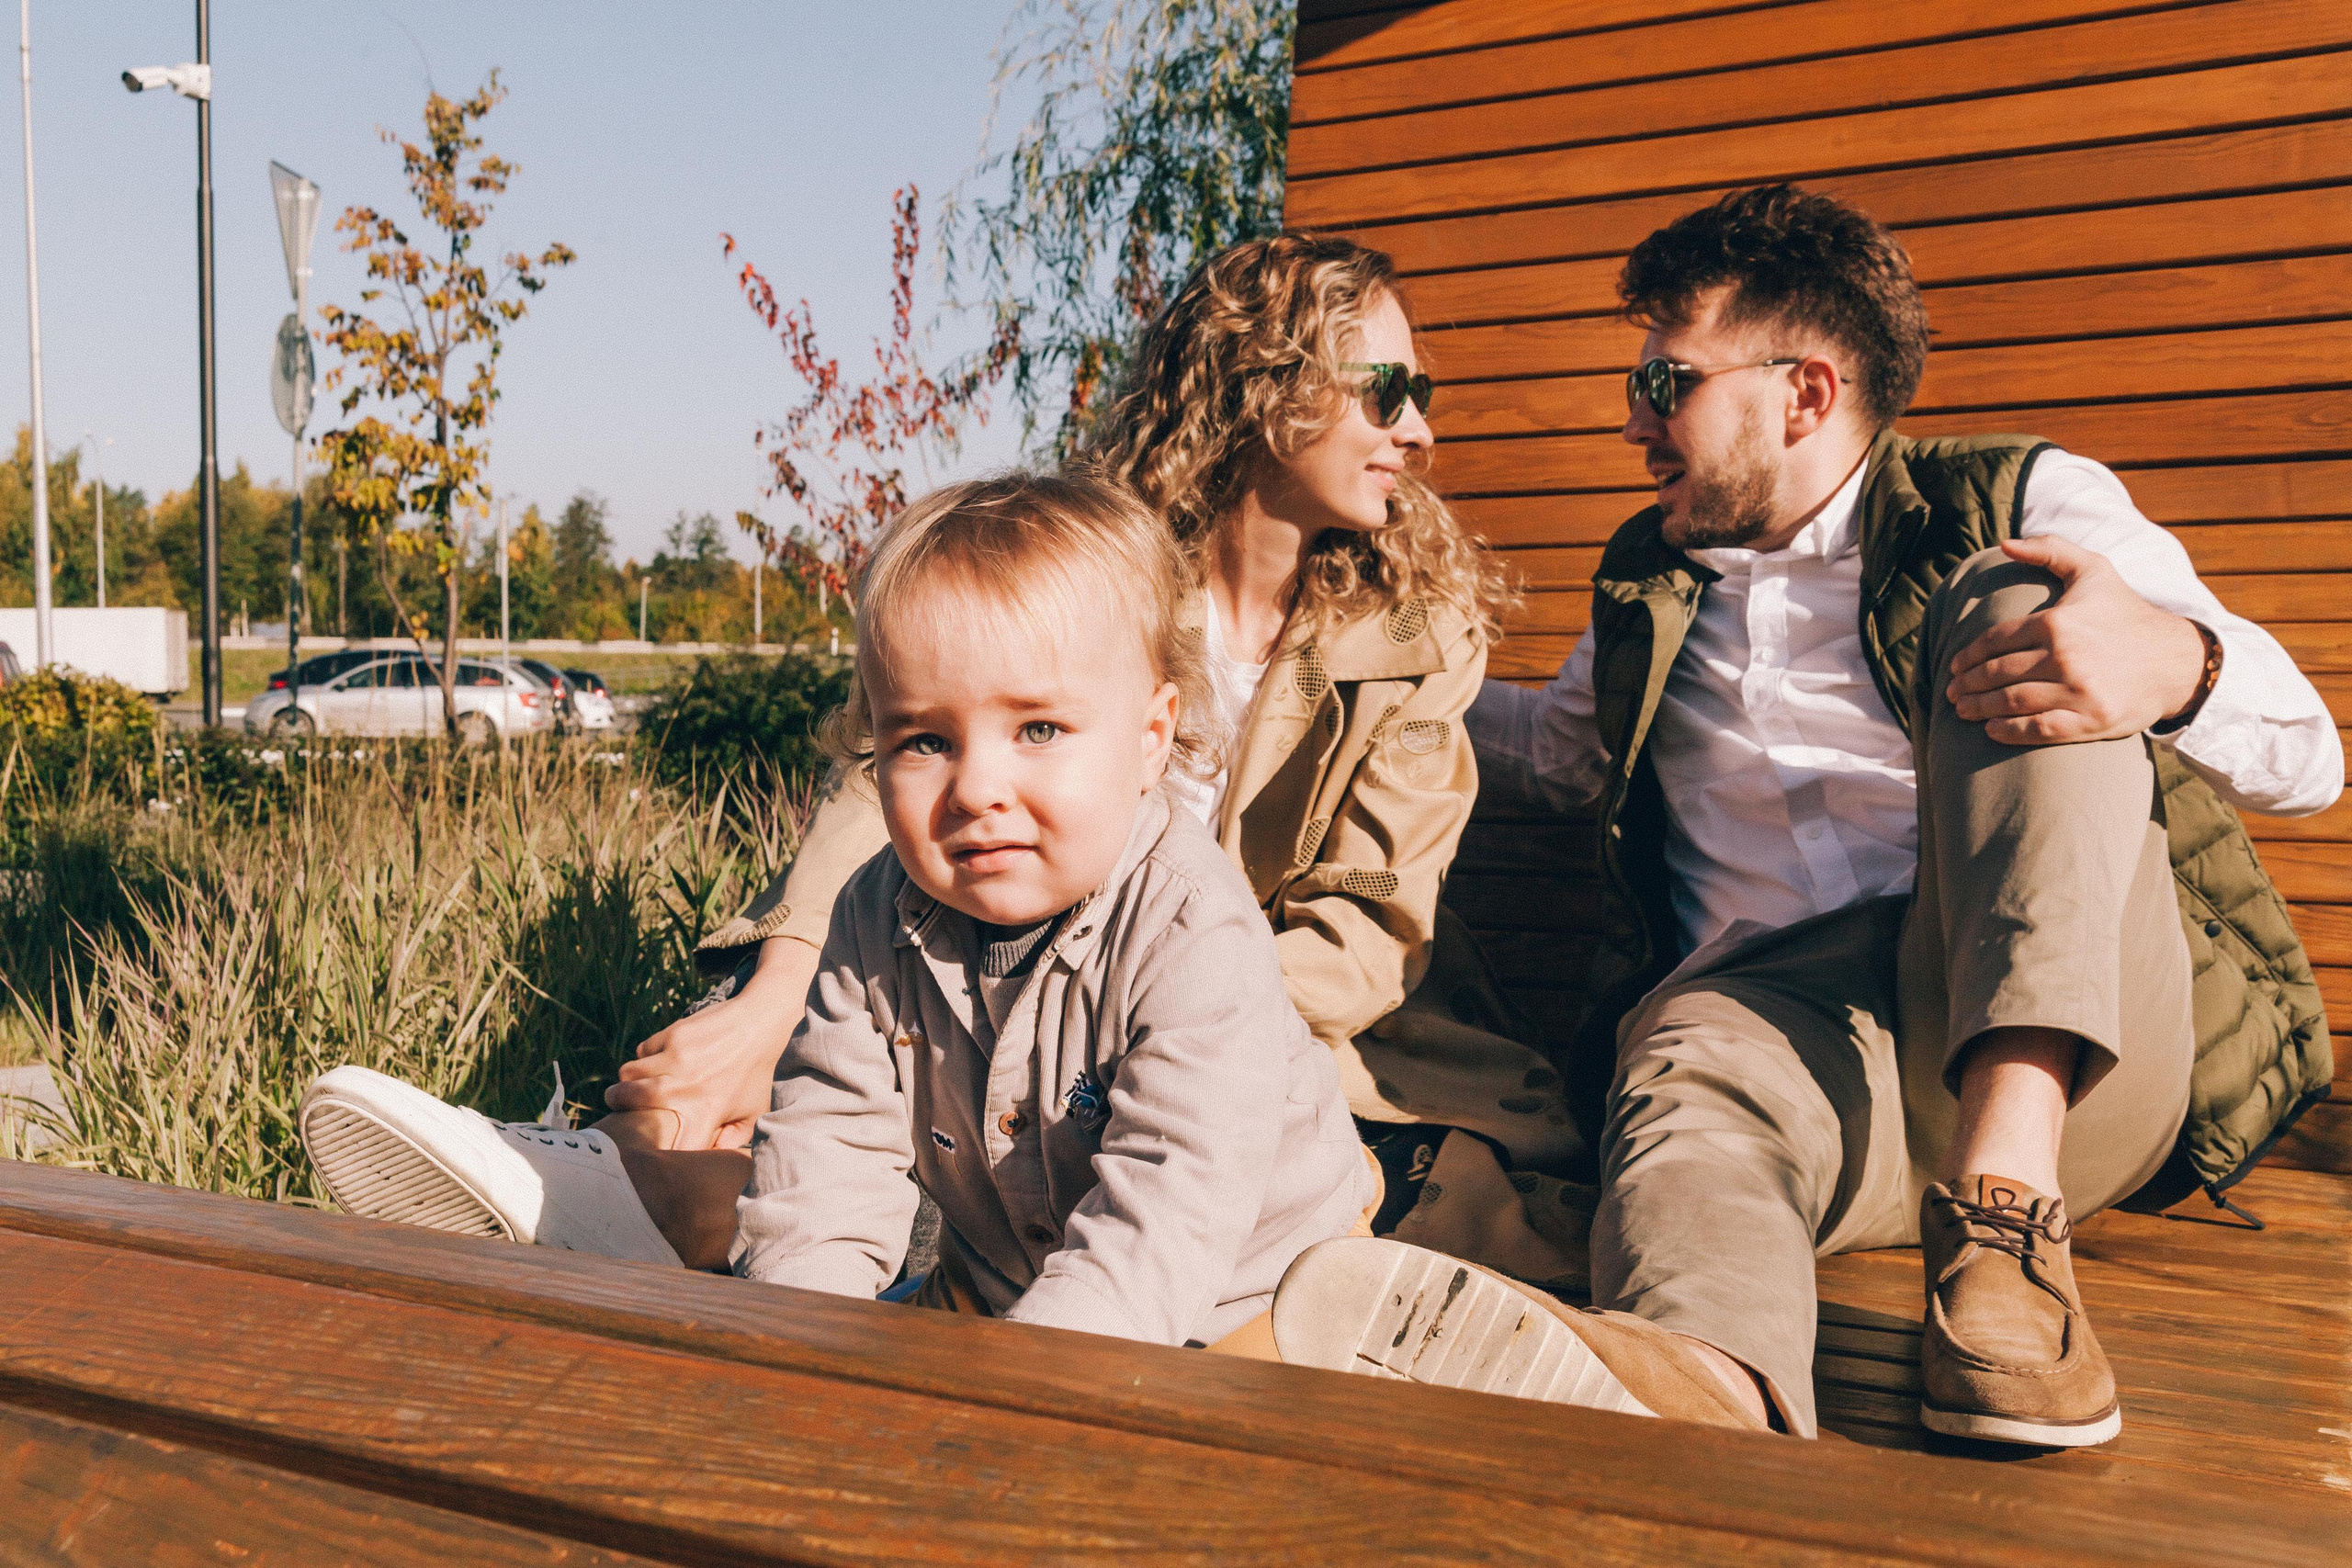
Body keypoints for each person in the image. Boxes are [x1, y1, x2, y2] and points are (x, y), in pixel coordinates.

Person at [1269, 184, 2341, 1444]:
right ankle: (1703, 1388)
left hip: (2078, 1064)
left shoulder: (2021, 498)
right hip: (1807, 1073)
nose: (1632, 420)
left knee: (2022, 612)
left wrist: (2174, 663)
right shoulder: (1650, 578)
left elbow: (2309, 755)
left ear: (1806, 394)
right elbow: (1553, 754)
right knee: (1688, 1050)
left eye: (1665, 384)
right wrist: (1302, 666)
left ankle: (2004, 1230)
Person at [300, 231, 1577, 1287]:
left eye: (1421, 396)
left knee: (1016, 1106)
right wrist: (780, 985)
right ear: (1265, 384)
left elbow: (1363, 939)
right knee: (853, 1012)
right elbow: (893, 773)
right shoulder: (1088, 570)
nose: (1418, 432)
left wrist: (1092, 1023)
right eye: (1387, 389)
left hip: (1259, 1037)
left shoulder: (1416, 634)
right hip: (999, 955)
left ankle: (646, 1198)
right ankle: (651, 1183)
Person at [306, 473, 1376, 1346]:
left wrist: (1036, 1393)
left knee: (1242, 1431)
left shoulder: (1190, 933)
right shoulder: (878, 917)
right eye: (926, 741)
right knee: (816, 1374)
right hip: (1002, 1279)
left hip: (1241, 1289)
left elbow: (1170, 1209)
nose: (977, 787)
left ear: (1150, 739)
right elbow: (830, 1147)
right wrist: (808, 1344)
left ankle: (1394, 1338)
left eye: (1039, 731)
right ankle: (629, 1214)